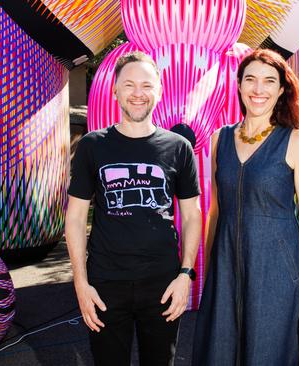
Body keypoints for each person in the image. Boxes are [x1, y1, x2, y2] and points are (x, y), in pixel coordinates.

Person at [65, 51, 202, 366]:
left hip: (164, 284)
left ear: (159, 91)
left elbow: (192, 215)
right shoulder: (92, 145)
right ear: (114, 90)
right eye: (129, 85)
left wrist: (185, 275)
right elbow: (74, 219)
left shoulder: (179, 148)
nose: (138, 93)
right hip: (105, 285)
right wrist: (80, 283)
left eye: (146, 85)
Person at [192, 48, 299, 365]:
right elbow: (216, 213)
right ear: (238, 85)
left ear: (281, 90)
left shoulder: (297, 141)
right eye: (250, 79)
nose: (258, 89)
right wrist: (213, 279)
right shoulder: (218, 139)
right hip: (225, 275)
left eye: (269, 81)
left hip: (278, 279)